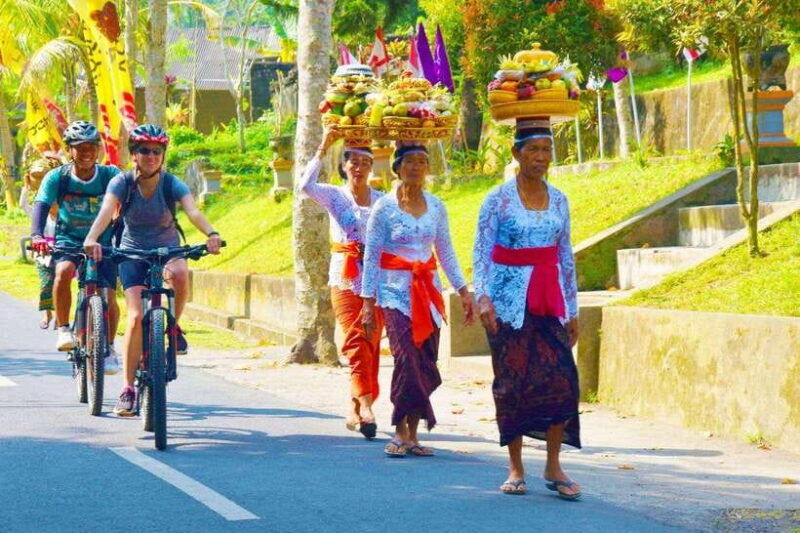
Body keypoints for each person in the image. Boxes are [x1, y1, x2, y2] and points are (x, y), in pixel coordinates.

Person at [472, 118, 581, 499]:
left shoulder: (561, 200)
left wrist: (573, 308)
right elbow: (482, 251)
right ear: (516, 153)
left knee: (563, 379)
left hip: (549, 300)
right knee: (512, 383)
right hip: (506, 303)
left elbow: (565, 255)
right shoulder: (497, 199)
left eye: (546, 149)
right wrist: (481, 297)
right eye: (532, 150)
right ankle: (516, 467)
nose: (540, 157)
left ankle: (553, 463)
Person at [83, 124, 222, 417]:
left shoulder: (172, 184)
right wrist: (92, 238)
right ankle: (127, 389)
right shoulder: (122, 182)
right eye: (144, 150)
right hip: (132, 251)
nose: (150, 156)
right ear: (134, 154)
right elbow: (107, 210)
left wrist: (211, 233)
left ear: (162, 155)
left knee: (181, 275)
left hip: (167, 248)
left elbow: (192, 210)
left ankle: (173, 325)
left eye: (156, 151)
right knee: (134, 317)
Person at [361, 142, 475, 457]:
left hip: (428, 293)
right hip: (394, 293)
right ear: (397, 167)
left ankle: (413, 433)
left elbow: (446, 251)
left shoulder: (437, 206)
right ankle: (399, 430)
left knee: (425, 362)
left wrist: (464, 291)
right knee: (405, 358)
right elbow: (371, 257)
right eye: (409, 161)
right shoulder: (383, 208)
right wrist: (368, 302)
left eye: (421, 162)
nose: (415, 167)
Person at [298, 130, 385, 439]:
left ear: (372, 167)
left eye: (365, 162)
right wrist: (323, 145)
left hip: (376, 280)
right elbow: (305, 186)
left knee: (372, 343)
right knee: (355, 340)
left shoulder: (382, 201)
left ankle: (356, 408)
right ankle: (367, 406)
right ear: (344, 166)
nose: (359, 168)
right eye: (353, 162)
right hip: (345, 277)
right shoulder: (335, 196)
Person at [29, 121, 121, 372]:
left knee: (109, 296)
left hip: (103, 242)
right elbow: (41, 206)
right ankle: (63, 328)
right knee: (63, 272)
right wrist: (37, 235)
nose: (86, 153)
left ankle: (110, 348)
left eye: (91, 147)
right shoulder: (57, 177)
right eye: (80, 148)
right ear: (69, 150)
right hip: (69, 240)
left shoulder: (110, 175)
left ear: (98, 149)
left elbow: (128, 199)